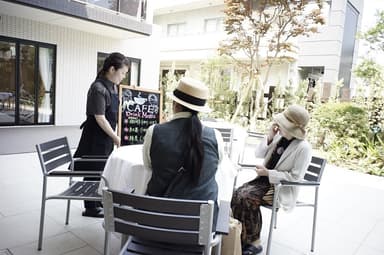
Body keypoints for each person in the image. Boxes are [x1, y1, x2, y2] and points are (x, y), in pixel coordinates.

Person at [142, 77, 225, 228]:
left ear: (175, 104)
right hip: (200, 228)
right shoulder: (216, 136)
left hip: (158, 223)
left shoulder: (154, 132)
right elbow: (216, 166)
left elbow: (148, 167)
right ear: (199, 109)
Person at [231, 104, 312, 255]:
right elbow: (258, 153)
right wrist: (269, 136)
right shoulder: (279, 138)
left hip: (279, 187)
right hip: (262, 182)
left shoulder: (303, 148)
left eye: (282, 124)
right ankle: (241, 237)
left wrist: (268, 173)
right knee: (236, 194)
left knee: (247, 198)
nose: (278, 126)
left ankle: (254, 242)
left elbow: (295, 177)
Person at [73, 52, 130, 218]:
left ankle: (97, 201)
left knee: (102, 170)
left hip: (106, 136)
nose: (123, 77)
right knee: (93, 170)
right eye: (122, 73)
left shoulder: (112, 86)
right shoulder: (98, 88)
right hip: (95, 136)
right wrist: (116, 137)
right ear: (112, 69)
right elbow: (100, 118)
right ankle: (90, 207)